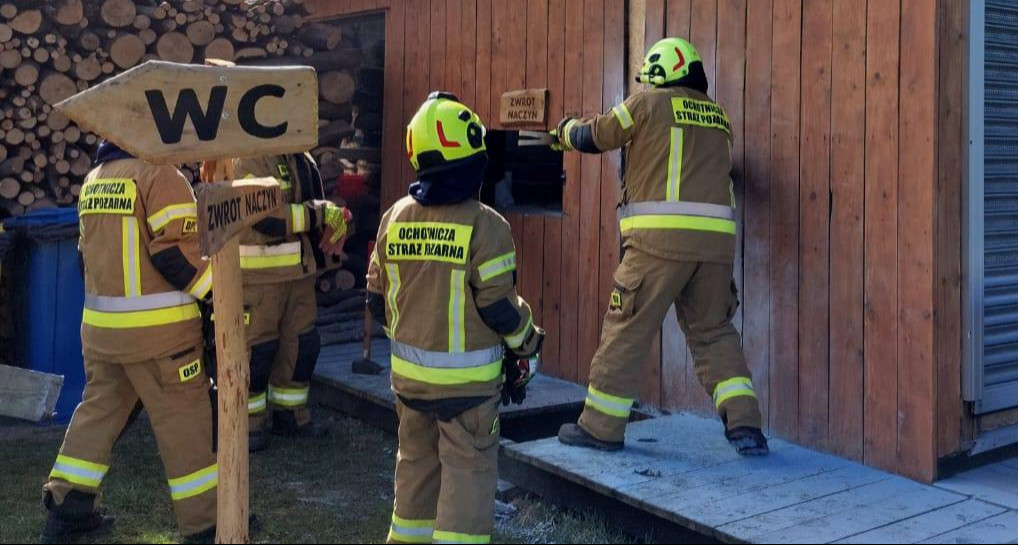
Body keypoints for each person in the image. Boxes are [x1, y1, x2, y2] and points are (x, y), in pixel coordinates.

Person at [553, 37, 769, 456]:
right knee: (714, 332)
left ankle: (600, 427)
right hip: (716, 249)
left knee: (627, 329)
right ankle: (746, 426)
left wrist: (563, 132)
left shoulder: (647, 104)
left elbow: (595, 136)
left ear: (661, 73)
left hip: (658, 244)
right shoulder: (719, 117)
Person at [367, 92, 543, 544]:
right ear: (473, 162)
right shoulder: (487, 225)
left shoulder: (395, 217)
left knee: (415, 473)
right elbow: (499, 308)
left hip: (409, 386)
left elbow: (375, 300)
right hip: (468, 395)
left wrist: (414, 340)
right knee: (468, 480)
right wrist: (529, 344)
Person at [42, 141, 217, 543]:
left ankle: (67, 513)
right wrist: (220, 296)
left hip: (103, 333)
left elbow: (85, 256)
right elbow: (174, 256)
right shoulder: (160, 176)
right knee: (185, 422)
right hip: (162, 337)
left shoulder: (94, 180)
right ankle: (207, 526)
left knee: (99, 413)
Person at [231, 152, 348, 452]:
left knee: (302, 346)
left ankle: (291, 417)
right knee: (257, 353)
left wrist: (338, 217)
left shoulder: (298, 157)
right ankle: (248, 426)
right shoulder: (247, 158)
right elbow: (266, 218)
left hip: (299, 273)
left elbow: (307, 206)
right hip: (259, 279)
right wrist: (321, 211)